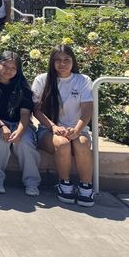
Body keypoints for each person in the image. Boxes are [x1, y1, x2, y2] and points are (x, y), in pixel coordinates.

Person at [32, 45, 94, 207]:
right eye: (57, 60)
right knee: (63, 143)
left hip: (77, 129)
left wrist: (77, 130)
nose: (62, 64)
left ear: (73, 61)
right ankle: (64, 183)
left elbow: (87, 110)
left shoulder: (83, 80)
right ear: (52, 62)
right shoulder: (42, 80)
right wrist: (53, 127)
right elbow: (36, 111)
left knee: (81, 143)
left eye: (66, 60)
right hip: (48, 130)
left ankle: (86, 186)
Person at [0, 51, 41, 196]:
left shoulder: (23, 86)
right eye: (5, 65)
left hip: (20, 124)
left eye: (13, 68)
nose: (8, 70)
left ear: (18, 70)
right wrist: (2, 127)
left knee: (25, 142)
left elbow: (25, 114)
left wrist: (20, 132)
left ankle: (32, 182)